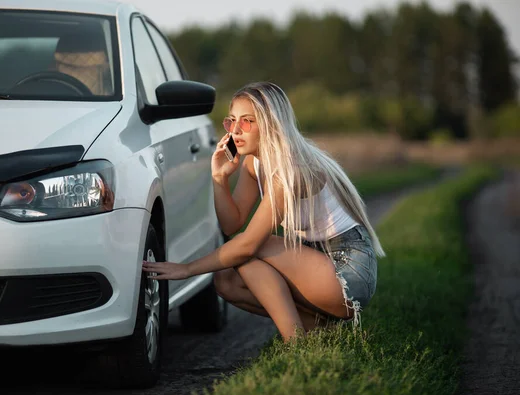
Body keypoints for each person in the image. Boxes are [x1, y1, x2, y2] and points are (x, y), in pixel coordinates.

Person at [143, 81, 385, 342]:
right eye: (231, 121)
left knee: (247, 250)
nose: (236, 131)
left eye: (247, 121)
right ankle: (319, 329)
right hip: (315, 261)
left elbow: (246, 244)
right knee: (226, 281)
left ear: (271, 124)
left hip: (347, 270)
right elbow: (231, 224)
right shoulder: (254, 163)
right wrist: (219, 179)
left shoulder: (290, 169)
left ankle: (295, 342)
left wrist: (187, 269)